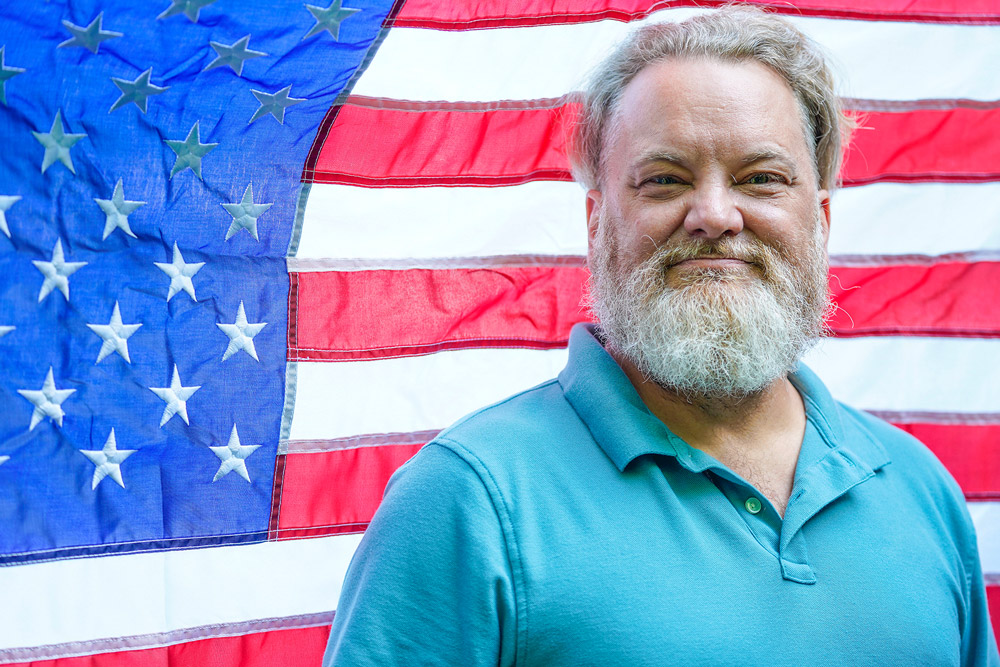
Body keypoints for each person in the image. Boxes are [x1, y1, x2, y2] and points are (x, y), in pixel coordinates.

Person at [324, 7, 999, 666]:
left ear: (820, 220)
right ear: (596, 223)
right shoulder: (470, 499)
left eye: (760, 178)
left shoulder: (919, 490)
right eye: (665, 179)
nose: (713, 214)